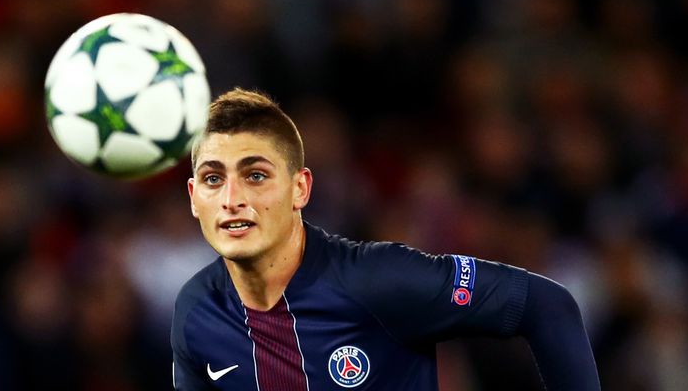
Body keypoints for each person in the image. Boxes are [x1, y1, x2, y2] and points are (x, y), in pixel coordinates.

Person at [171, 88, 600, 390]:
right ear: (194, 198)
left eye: (256, 175)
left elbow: (545, 305)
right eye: (213, 179)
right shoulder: (196, 313)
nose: (232, 199)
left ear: (300, 188)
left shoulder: (378, 280)